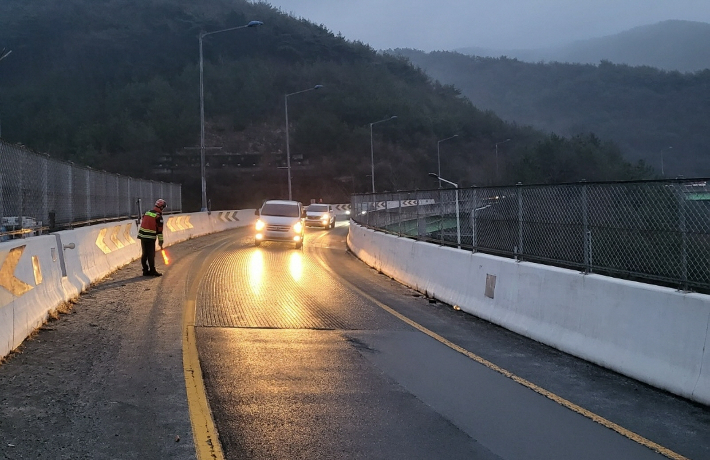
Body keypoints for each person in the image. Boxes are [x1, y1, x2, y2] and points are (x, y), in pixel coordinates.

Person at [137, 198, 166, 276]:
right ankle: (152, 271)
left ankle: (145, 270)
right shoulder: (158, 216)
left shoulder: (147, 213)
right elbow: (159, 231)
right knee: (151, 254)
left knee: (144, 254)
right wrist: (161, 241)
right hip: (150, 237)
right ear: (162, 207)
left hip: (142, 236)